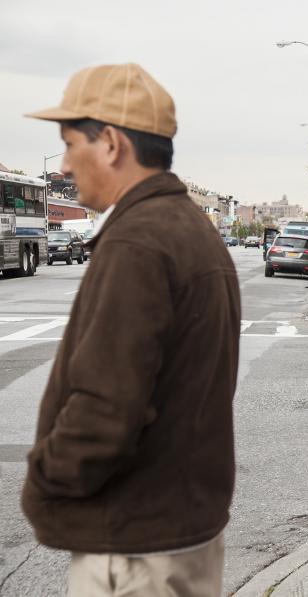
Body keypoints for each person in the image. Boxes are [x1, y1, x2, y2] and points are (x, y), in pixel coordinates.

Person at [20, 63, 240, 596]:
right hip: (178, 531)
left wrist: (43, 483)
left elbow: (105, 409)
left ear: (113, 143)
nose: (66, 164)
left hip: (133, 548)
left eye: (71, 144)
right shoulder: (190, 228)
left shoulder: (136, 243)